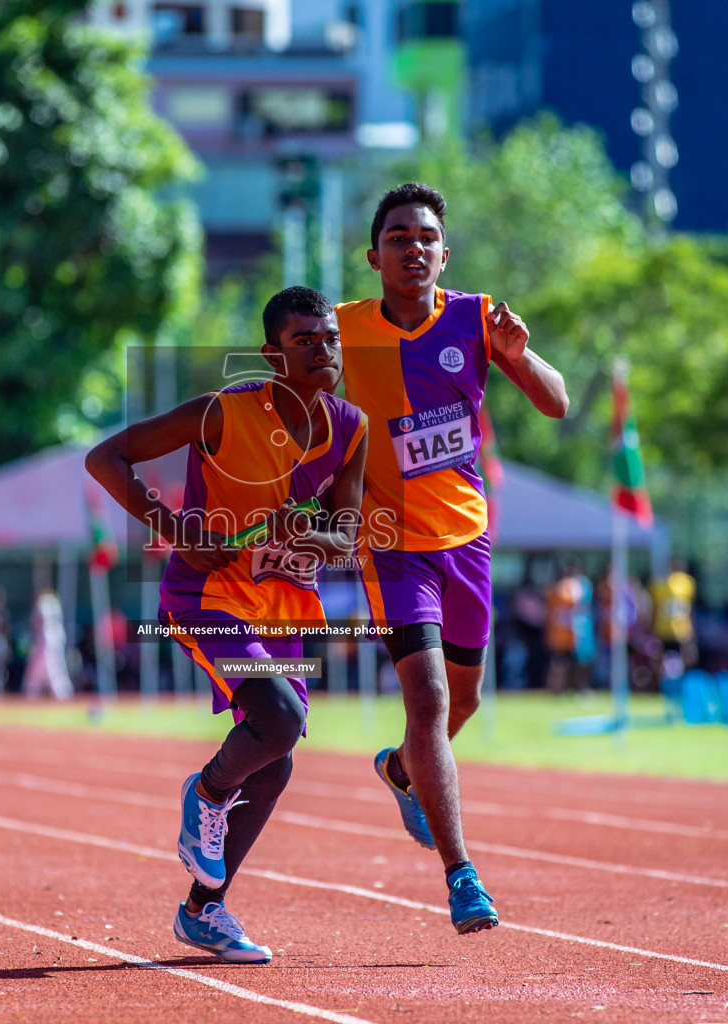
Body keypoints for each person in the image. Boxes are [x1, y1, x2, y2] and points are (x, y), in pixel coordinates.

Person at [86, 286, 367, 964]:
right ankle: (207, 791)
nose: (324, 349)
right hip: (206, 595)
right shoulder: (222, 412)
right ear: (273, 354)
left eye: (330, 337)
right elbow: (106, 459)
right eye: (306, 340)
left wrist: (313, 534)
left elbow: (350, 535)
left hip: (283, 611)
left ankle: (202, 911)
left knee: (275, 758)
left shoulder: (351, 427)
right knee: (277, 718)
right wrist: (174, 525)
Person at [338, 183, 568, 933]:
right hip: (392, 546)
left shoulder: (475, 317)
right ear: (374, 255)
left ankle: (404, 770)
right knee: (431, 702)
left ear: (445, 252)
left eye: (427, 236)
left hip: (466, 540)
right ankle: (462, 876)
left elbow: (557, 402)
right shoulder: (340, 331)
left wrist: (518, 356)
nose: (414, 247)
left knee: (461, 704)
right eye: (399, 236)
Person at [544, 563, 593, 693]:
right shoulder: (561, 588)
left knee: (578, 664)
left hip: (573, 635)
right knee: (560, 665)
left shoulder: (577, 585)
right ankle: (557, 690)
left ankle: (574, 689)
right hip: (564, 636)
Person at [649, 558, 697, 680]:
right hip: (676, 629)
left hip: (672, 629)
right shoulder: (687, 583)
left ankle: (669, 683)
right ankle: (672, 683)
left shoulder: (663, 584)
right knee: (673, 659)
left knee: (668, 659)